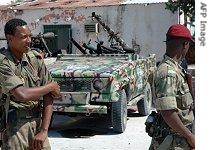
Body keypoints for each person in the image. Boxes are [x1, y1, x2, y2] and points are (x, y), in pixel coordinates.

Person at [0, 18, 60, 150]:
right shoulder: (3, 62)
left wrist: (44, 130)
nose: (29, 41)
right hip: (14, 126)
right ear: (10, 39)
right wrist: (50, 86)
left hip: (37, 122)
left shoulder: (34, 59)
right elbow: (21, 94)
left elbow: (50, 96)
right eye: (23, 37)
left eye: (30, 36)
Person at [149, 24, 195, 150]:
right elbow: (168, 113)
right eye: (189, 45)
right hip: (174, 143)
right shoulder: (168, 72)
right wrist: (190, 137)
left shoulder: (176, 69)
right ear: (185, 44)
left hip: (179, 139)